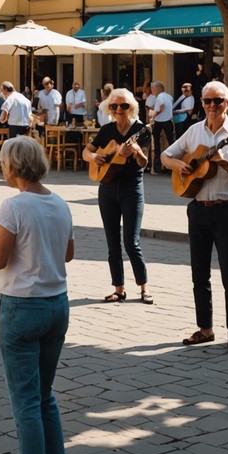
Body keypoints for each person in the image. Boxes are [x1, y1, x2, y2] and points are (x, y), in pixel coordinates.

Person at [0, 136, 74, 454]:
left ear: (13, 166)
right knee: (45, 393)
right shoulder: (60, 202)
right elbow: (68, 253)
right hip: (57, 304)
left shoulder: (14, 206)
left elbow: (0, 259)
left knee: (26, 401)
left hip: (22, 306)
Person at [161, 81, 228, 349]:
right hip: (198, 209)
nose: (213, 106)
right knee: (199, 273)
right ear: (201, 103)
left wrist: (226, 164)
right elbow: (166, 155)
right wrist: (178, 163)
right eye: (208, 101)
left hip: (226, 211)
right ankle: (205, 328)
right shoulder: (193, 131)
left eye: (218, 101)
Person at [83, 89, 153, 304]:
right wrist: (95, 156)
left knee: (131, 243)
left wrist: (135, 152)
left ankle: (144, 287)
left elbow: (144, 163)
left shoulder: (141, 130)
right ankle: (119, 289)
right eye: (113, 106)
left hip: (132, 189)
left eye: (123, 106)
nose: (118, 110)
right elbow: (86, 151)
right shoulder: (106, 130)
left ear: (131, 107)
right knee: (113, 243)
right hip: (107, 190)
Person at [148, 81, 174, 173]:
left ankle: (157, 166)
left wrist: (153, 116)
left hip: (159, 121)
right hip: (168, 121)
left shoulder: (159, 97)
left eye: (153, 88)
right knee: (171, 142)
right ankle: (170, 164)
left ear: (158, 88)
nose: (151, 89)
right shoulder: (169, 96)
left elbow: (162, 106)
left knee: (156, 143)